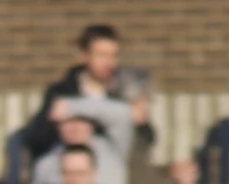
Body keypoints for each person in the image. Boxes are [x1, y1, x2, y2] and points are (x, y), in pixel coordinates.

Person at [22, 24, 156, 166]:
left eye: (113, 55)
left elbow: (148, 141)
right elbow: (37, 138)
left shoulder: (123, 94)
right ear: (83, 56)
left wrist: (141, 122)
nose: (109, 63)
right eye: (101, 55)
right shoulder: (62, 92)